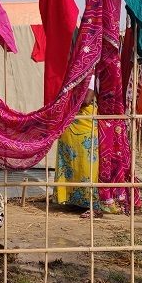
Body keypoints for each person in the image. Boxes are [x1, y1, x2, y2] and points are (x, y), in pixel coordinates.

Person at [54, 87, 101, 216]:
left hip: (84, 121)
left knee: (87, 164)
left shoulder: (90, 76)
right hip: (71, 121)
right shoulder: (74, 75)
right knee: (68, 161)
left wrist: (66, 98)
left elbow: (86, 100)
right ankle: (74, 200)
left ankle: (91, 203)